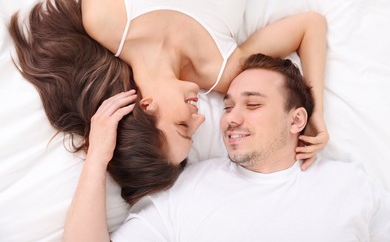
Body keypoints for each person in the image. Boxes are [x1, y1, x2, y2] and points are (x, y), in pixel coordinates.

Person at [9, 0, 328, 205]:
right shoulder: (222, 70)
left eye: (182, 127)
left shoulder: (105, 21)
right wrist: (314, 114)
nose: (201, 117)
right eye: (194, 132)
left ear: (146, 106)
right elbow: (309, 27)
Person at [64, 53, 390, 241]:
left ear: (296, 120)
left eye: (253, 105)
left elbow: (310, 23)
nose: (231, 118)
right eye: (229, 106)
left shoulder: (353, 185)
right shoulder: (187, 189)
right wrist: (97, 158)